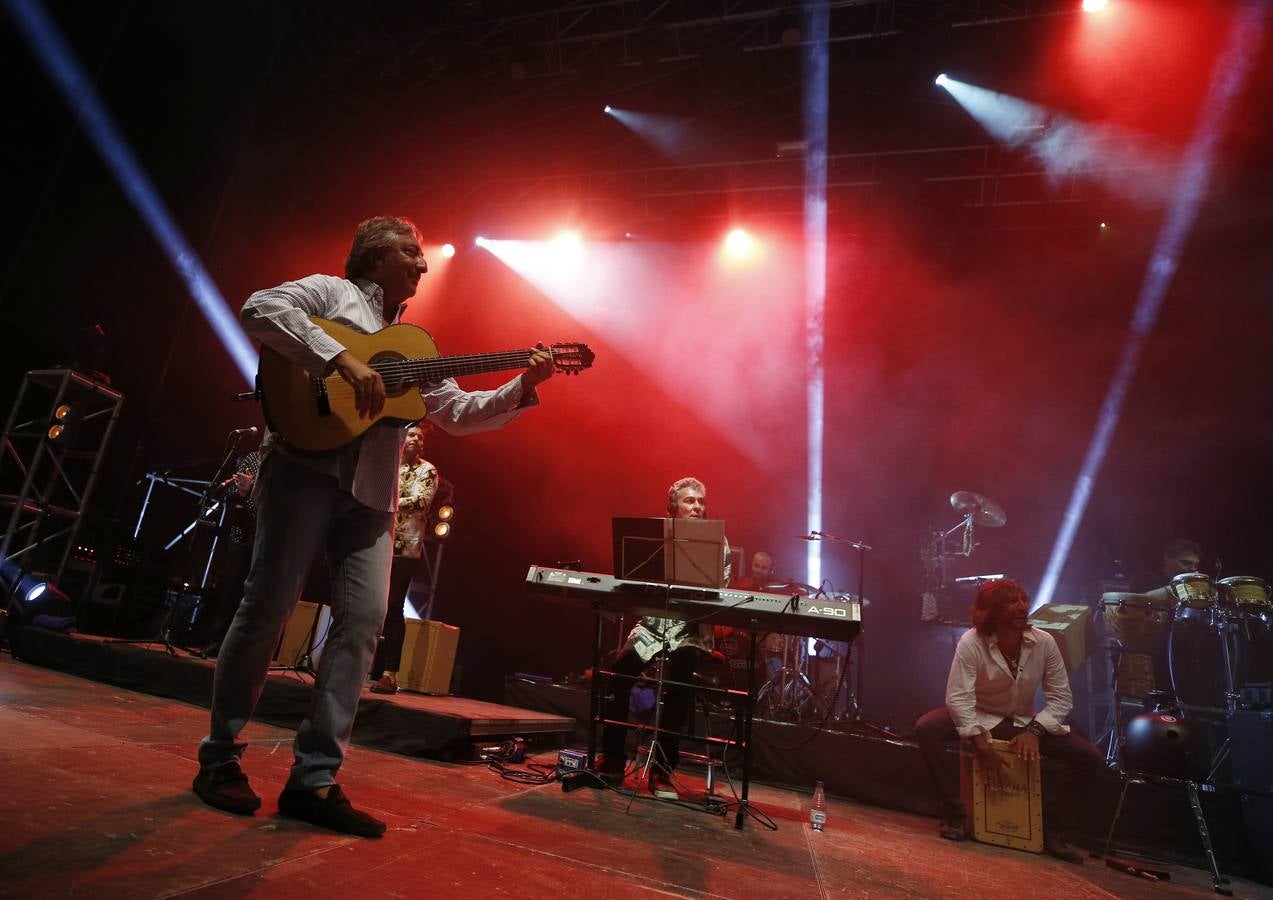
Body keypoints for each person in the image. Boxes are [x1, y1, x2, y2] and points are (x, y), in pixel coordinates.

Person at [193, 216, 554, 837]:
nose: (422, 262)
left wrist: (525, 383)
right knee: (267, 608)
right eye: (411, 251)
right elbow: (260, 307)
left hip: (373, 492)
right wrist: (340, 359)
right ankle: (219, 757)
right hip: (304, 468)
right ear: (375, 257)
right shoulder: (331, 295)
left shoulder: (414, 344)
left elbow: (459, 414)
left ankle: (314, 779)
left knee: (361, 626)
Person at [914, 579, 1104, 864]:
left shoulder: (1044, 642)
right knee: (927, 728)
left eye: (1023, 600)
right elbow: (958, 697)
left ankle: (1051, 831)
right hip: (979, 715)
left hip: (1023, 721)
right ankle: (956, 816)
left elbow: (1061, 697)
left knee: (1089, 757)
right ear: (990, 611)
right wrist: (979, 742)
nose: (1022, 607)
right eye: (1011, 602)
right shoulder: (971, 641)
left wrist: (1035, 731)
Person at [598, 476, 729, 799]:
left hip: (690, 629)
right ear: (673, 507)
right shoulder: (653, 536)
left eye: (700, 502)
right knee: (621, 668)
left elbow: (719, 590)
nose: (697, 507)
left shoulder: (718, 542)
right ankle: (613, 760)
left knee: (680, 677)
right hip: (654, 627)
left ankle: (663, 771)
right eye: (689, 501)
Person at [369, 422, 439, 694]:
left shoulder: (428, 470)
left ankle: (389, 674)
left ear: (423, 444)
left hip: (406, 549)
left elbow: (422, 501)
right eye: (409, 434)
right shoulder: (389, 466)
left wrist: (387, 498)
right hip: (378, 542)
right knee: (370, 605)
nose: (413, 439)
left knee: (394, 608)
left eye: (418, 437)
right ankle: (362, 664)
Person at [1107, 537, 1203, 698]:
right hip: (1151, 661)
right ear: (1167, 559)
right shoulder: (1148, 579)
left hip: (1182, 658)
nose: (1192, 569)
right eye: (1185, 563)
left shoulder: (1191, 590)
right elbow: (1134, 606)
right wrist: (1177, 588)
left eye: (1195, 565)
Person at [200, 443, 263, 658]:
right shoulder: (252, 458)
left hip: (266, 537)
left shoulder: (283, 465)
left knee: (255, 595)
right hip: (241, 534)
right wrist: (243, 490)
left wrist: (254, 489)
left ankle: (243, 650)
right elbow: (233, 492)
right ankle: (217, 641)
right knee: (229, 588)